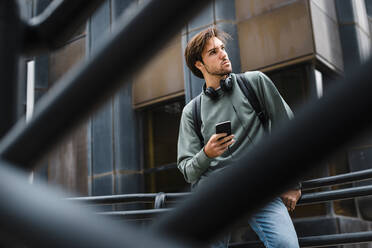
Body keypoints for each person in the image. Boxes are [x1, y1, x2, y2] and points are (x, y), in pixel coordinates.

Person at [177, 26, 301, 248]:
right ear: (199, 64)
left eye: (222, 48)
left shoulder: (254, 82)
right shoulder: (191, 111)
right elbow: (187, 170)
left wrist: (293, 183)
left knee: (286, 245)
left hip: (259, 186)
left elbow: (288, 128)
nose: (223, 54)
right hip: (214, 196)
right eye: (213, 52)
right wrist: (207, 153)